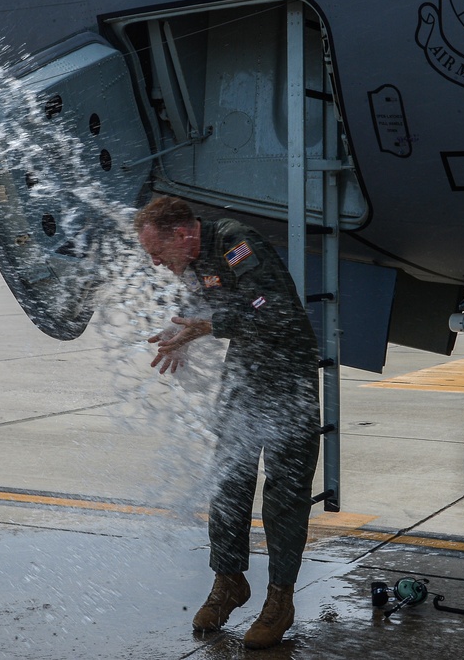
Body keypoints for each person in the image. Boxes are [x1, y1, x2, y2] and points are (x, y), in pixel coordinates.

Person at [134, 195, 321, 650]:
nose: (158, 264)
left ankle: (280, 597)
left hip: (288, 374)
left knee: (284, 490)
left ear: (182, 234)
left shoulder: (236, 241)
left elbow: (271, 310)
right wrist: (182, 337)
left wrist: (208, 323)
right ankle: (229, 580)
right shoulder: (194, 262)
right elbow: (213, 316)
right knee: (229, 479)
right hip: (246, 372)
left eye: (158, 253)